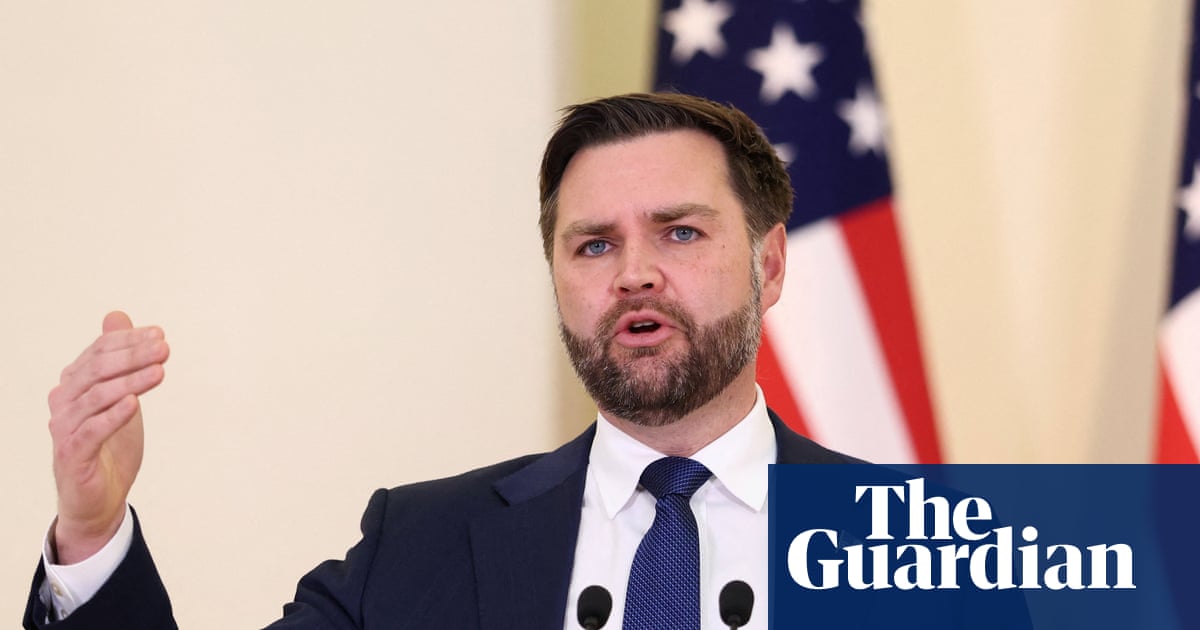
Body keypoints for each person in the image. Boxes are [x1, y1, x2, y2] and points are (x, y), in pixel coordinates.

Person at [24, 92, 858, 629]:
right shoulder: (419, 542)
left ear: (770, 265)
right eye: (594, 244)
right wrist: (93, 535)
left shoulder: (916, 543)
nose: (633, 272)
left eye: (679, 231)